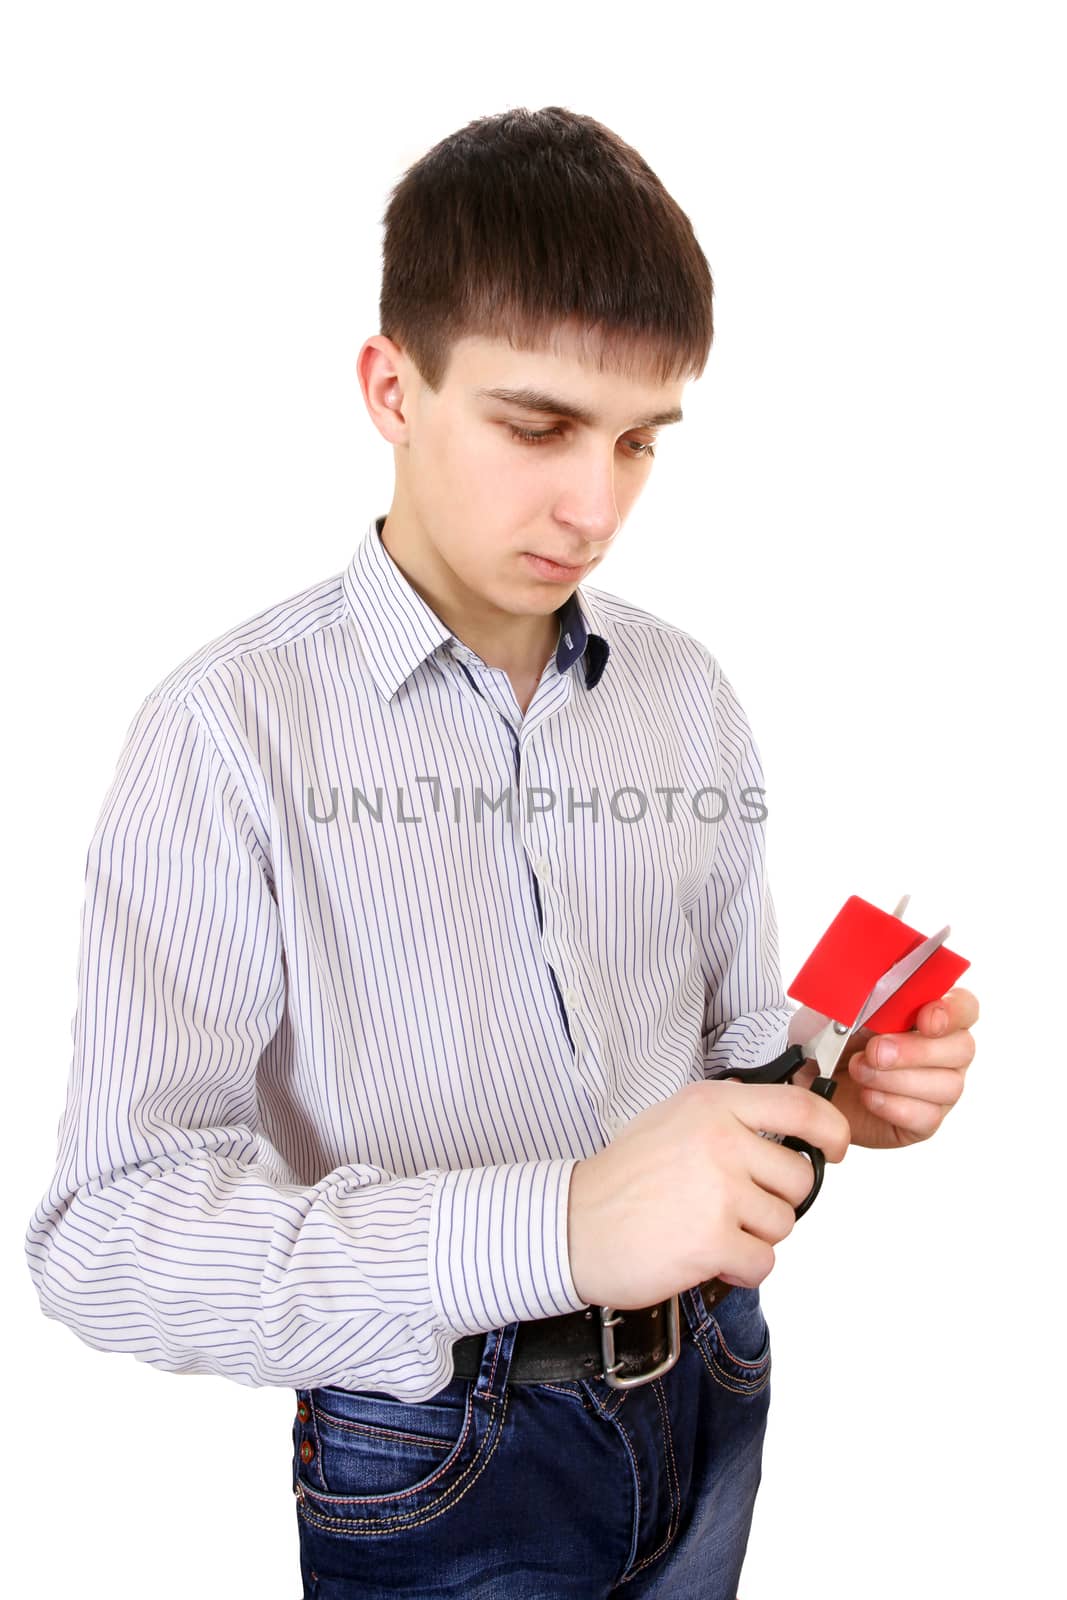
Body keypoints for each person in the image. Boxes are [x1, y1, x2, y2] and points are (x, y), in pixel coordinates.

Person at [24, 105, 979, 1599]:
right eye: (537, 428)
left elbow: (726, 1073)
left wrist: (830, 1081)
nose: (595, 506)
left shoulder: (687, 695)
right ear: (391, 389)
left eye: (639, 440)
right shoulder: (223, 735)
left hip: (716, 1390)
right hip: (437, 1452)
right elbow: (110, 1236)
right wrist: (554, 1227)